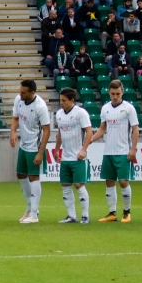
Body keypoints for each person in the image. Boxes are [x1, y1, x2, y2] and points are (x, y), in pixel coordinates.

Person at [88, 80, 139, 222]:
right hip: (108, 151)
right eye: (112, 94)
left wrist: (133, 149)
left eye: (117, 93)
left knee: (123, 182)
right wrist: (91, 140)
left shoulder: (129, 108)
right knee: (109, 182)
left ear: (122, 92)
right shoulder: (105, 108)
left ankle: (127, 212)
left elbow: (135, 129)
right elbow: (102, 128)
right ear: (109, 93)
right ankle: (112, 213)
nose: (115, 96)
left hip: (123, 151)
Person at [11, 80, 52, 224]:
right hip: (24, 145)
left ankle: (34, 214)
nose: (20, 94)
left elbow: (47, 130)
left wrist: (40, 152)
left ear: (32, 93)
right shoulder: (19, 100)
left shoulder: (40, 107)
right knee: (21, 175)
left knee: (33, 177)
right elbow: (15, 118)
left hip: (35, 146)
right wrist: (12, 132)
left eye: (23, 92)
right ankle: (29, 208)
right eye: (20, 91)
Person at [55, 88, 94, 223]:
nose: (61, 103)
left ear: (72, 100)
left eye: (64, 101)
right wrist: (56, 149)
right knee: (65, 185)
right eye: (60, 100)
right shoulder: (59, 114)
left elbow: (89, 132)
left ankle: (85, 215)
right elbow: (60, 132)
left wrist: (83, 150)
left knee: (78, 185)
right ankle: (71, 215)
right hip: (65, 157)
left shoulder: (81, 113)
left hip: (78, 157)